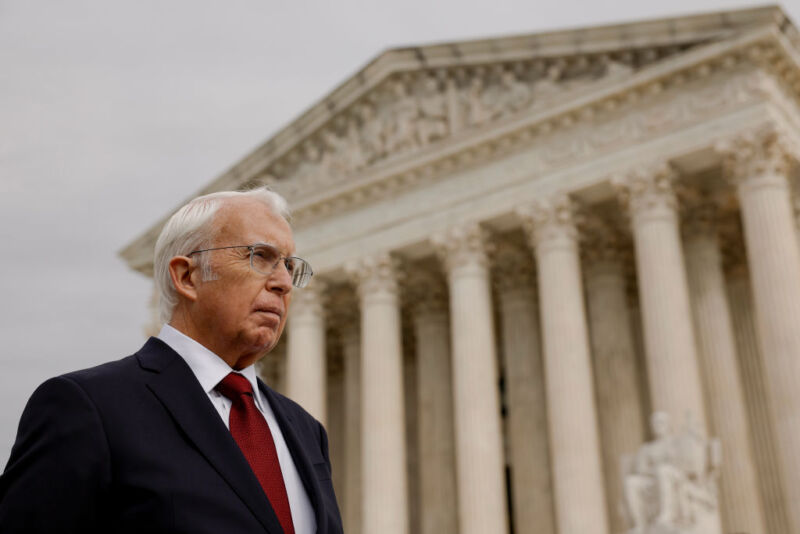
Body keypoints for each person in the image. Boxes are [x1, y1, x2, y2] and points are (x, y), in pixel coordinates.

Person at [0, 188, 343, 534]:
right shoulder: (88, 408)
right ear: (187, 277)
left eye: (289, 265)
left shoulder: (305, 429)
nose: (284, 283)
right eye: (260, 256)